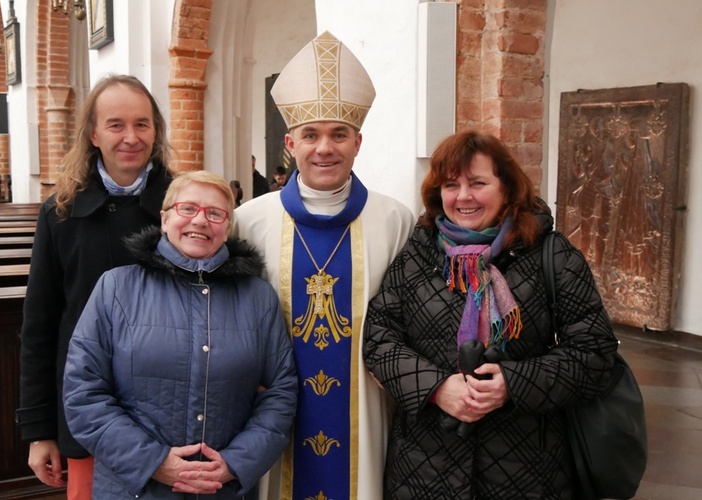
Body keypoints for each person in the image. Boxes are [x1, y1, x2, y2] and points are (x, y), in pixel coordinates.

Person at [362, 131, 619, 498]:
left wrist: (513, 383)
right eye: (451, 185)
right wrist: (436, 389)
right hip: (424, 469)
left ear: (507, 187)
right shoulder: (416, 255)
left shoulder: (551, 254)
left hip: (529, 468)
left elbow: (595, 353)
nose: (463, 196)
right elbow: (379, 339)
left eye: (478, 183)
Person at [233, 31, 415, 500]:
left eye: (338, 135)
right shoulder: (250, 220)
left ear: (358, 142)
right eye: (311, 135)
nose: (324, 148)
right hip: (275, 401)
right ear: (290, 143)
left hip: (364, 403)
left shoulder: (395, 219)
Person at [63, 170, 298, 498]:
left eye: (215, 213)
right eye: (188, 208)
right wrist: (154, 462)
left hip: (222, 489)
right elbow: (83, 393)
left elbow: (281, 391)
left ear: (227, 227)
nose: (200, 221)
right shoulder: (117, 288)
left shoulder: (257, 297)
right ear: (165, 217)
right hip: (134, 488)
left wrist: (235, 464)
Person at [15, 74, 174, 499]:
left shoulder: (181, 207)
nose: (130, 137)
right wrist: (39, 430)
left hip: (170, 411)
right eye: (116, 124)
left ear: (155, 131)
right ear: (94, 133)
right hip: (89, 413)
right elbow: (40, 327)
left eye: (142, 124)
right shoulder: (61, 213)